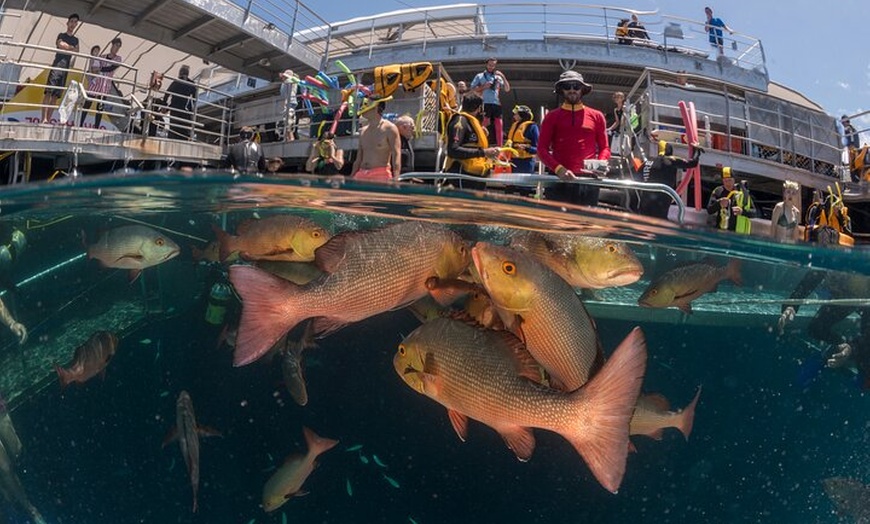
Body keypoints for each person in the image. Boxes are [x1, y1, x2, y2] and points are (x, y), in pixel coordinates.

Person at [537, 70, 610, 206]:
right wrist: (559, 170)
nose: (572, 90)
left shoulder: (597, 116)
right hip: (558, 180)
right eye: (567, 86)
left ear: (582, 89)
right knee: (556, 224)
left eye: (576, 86)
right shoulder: (551, 117)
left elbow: (605, 148)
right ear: (561, 90)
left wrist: (600, 164)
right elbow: (541, 149)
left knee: (586, 225)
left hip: (588, 180)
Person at [443, 93, 500, 187]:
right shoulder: (460, 120)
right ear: (478, 108)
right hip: (463, 175)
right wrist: (484, 152)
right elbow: (453, 150)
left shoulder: (473, 124)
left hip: (476, 175)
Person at [640, 140, 703, 219]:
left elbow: (637, 176)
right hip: (661, 204)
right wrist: (696, 151)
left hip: (644, 203)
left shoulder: (647, 162)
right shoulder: (670, 160)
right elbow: (693, 163)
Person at [41, 13, 80, 124]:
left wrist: (67, 47)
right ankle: (43, 118)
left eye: (75, 22)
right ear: (67, 23)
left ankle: (48, 119)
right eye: (71, 21)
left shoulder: (76, 39)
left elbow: (77, 50)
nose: (73, 24)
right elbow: (60, 44)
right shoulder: (61, 35)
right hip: (57, 65)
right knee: (48, 92)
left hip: (65, 69)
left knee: (55, 96)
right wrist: (70, 48)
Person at [351, 102, 401, 181]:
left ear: (376, 108)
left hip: (381, 174)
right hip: (361, 174)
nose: (363, 108)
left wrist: (396, 177)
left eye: (367, 104)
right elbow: (358, 159)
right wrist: (351, 177)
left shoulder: (390, 128)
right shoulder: (363, 131)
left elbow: (396, 154)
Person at [80, 38, 122, 129]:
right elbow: (94, 67)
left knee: (100, 108)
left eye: (119, 46)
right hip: (95, 83)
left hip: (105, 86)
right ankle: (80, 124)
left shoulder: (118, 59)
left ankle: (96, 127)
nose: (117, 48)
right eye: (116, 45)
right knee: (87, 103)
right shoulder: (102, 57)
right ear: (112, 45)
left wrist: (99, 69)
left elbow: (111, 68)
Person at [470, 57, 511, 147]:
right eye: (489, 65)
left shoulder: (498, 77)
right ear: (486, 64)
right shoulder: (480, 76)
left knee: (499, 124)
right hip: (485, 103)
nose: (491, 67)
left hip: (496, 103)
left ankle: (499, 146)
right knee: (484, 123)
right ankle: (480, 143)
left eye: (493, 65)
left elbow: (507, 89)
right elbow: (472, 89)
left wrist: (503, 76)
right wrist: (484, 87)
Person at [706, 167, 756, 233]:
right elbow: (709, 210)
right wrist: (719, 204)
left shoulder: (742, 192)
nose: (728, 183)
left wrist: (742, 212)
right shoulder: (718, 191)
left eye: (730, 180)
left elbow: (754, 213)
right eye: (725, 181)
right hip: (722, 231)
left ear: (734, 180)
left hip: (739, 233)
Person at [162, 65, 197, 140]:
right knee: (184, 132)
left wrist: (165, 105)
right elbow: (195, 99)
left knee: (173, 132)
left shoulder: (176, 82)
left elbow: (167, 94)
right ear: (188, 73)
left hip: (175, 111)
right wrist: (191, 110)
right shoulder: (192, 84)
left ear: (180, 73)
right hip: (185, 112)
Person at [504, 104, 539, 174]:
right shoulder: (514, 125)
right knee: (512, 183)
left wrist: (526, 148)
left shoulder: (532, 127)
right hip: (513, 160)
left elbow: (537, 148)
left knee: (524, 184)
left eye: (516, 114)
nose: (514, 116)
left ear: (522, 115)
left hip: (526, 161)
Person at [279, 69, 298, 142]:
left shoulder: (291, 81)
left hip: (290, 103)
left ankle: (291, 138)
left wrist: (283, 76)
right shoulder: (286, 82)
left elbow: (289, 80)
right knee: (286, 121)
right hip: (288, 103)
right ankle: (287, 138)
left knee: (288, 121)